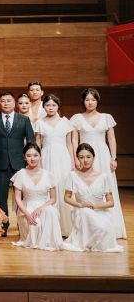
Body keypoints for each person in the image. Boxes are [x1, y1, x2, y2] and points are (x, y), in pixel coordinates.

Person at [69, 88, 126, 239]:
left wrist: (114, 158)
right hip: (84, 155)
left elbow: (111, 139)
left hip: (102, 155)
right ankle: (87, 227)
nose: (90, 102)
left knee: (107, 187)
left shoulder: (106, 117)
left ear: (97, 101)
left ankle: (110, 228)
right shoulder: (76, 118)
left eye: (93, 100)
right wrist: (75, 158)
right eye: (87, 99)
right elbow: (74, 139)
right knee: (85, 188)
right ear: (83, 101)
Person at [0, 91, 35, 235]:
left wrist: (29, 161)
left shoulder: (24, 120)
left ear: (14, 103)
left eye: (9, 100)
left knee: (22, 197)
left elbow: (31, 141)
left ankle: (23, 225)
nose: (6, 103)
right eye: (3, 101)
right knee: (1, 198)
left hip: (19, 164)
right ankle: (4, 226)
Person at [63, 143, 123, 252]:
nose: (85, 160)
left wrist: (94, 206)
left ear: (93, 157)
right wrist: (81, 205)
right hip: (81, 213)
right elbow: (66, 198)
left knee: (103, 229)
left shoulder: (103, 177)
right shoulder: (73, 176)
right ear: (77, 159)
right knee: (85, 212)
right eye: (81, 157)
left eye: (88, 157)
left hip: (100, 213)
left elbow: (111, 202)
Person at [34, 93, 75, 237]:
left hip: (63, 157)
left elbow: (69, 144)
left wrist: (72, 161)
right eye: (47, 105)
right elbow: (38, 144)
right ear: (44, 107)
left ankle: (65, 227)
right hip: (46, 157)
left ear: (58, 106)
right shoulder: (40, 122)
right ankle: (49, 228)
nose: (50, 108)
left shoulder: (66, 122)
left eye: (53, 105)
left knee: (63, 187)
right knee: (48, 188)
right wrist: (37, 162)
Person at [10, 143, 62, 251]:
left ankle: (49, 241)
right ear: (24, 157)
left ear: (40, 156)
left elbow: (53, 199)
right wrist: (27, 214)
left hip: (43, 206)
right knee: (35, 225)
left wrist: (41, 208)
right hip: (26, 208)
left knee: (51, 211)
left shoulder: (49, 175)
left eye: (35, 155)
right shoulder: (20, 174)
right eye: (28, 156)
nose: (32, 158)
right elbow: (17, 198)